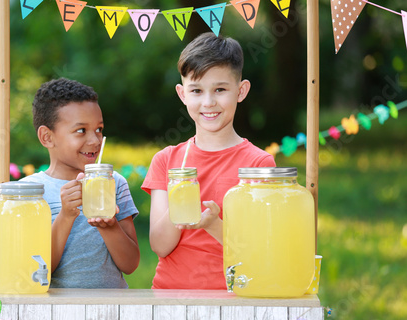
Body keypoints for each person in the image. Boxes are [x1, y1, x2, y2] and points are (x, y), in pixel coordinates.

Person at [141, 33, 276, 290]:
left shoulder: (258, 164)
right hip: (169, 296)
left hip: (233, 298)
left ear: (241, 91)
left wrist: (213, 224)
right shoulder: (166, 160)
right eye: (196, 91)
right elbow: (159, 246)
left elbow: (257, 249)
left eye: (220, 89)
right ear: (182, 94)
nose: (208, 102)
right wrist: (181, 199)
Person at [21, 78, 140, 288]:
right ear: (47, 137)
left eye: (99, 129)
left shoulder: (114, 183)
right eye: (81, 131)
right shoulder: (30, 192)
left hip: (112, 310)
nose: (95, 141)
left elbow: (130, 264)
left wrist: (110, 226)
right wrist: (66, 216)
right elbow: (37, 273)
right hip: (57, 313)